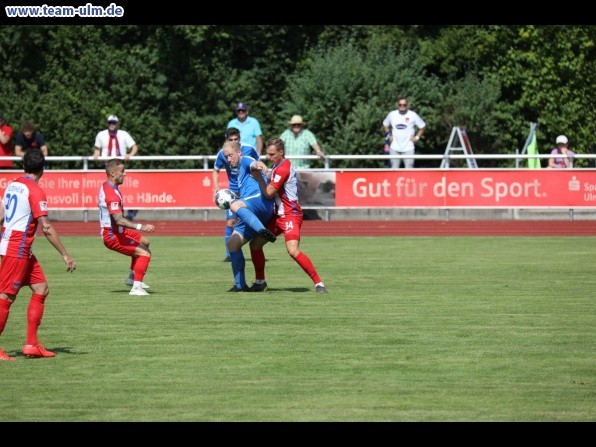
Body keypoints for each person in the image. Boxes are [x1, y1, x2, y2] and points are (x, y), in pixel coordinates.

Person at [0, 148, 77, 361]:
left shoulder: (12, 185)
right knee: (6, 296)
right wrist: (65, 254)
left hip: (19, 248)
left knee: (41, 288)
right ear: (43, 169)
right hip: (18, 249)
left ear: (24, 166)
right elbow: (47, 227)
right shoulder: (35, 191)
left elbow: (1, 214)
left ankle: (31, 344)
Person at [249, 138, 327, 293]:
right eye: (267, 153)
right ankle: (260, 282)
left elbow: (270, 193)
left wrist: (258, 178)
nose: (268, 157)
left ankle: (319, 283)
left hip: (291, 215)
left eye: (272, 154)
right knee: (255, 245)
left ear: (281, 152)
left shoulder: (282, 168)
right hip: (279, 216)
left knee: (292, 250)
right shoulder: (280, 165)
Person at [221, 140, 276, 292]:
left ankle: (261, 230)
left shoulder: (245, 160)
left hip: (260, 202)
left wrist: (261, 166)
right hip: (252, 209)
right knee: (232, 244)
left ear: (238, 153)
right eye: (226, 157)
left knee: (235, 205)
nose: (228, 159)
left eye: (230, 155)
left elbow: (255, 164)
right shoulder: (239, 172)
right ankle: (240, 286)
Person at [98, 158, 155, 296]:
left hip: (118, 231)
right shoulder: (111, 195)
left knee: (145, 243)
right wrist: (141, 226)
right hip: (112, 235)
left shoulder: (107, 186)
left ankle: (131, 278)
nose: (125, 174)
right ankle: (136, 288)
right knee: (145, 253)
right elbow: (118, 220)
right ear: (112, 173)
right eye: (122, 171)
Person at [213, 127, 259, 262]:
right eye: (230, 139)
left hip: (247, 191)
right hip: (232, 192)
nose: (233, 141)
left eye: (236, 139)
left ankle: (255, 248)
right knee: (231, 221)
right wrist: (216, 188)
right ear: (226, 140)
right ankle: (229, 254)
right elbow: (215, 170)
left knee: (250, 220)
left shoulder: (249, 149)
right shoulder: (222, 153)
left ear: (239, 139)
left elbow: (256, 163)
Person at [93, 115, 140, 220]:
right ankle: (111, 212)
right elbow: (97, 150)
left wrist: (130, 155)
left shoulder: (123, 134)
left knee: (124, 190)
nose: (112, 125)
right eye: (110, 122)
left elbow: (134, 147)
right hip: (107, 166)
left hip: (119, 166)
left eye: (113, 123)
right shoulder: (101, 134)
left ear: (117, 123)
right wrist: (95, 155)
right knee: (108, 189)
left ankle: (126, 212)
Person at [382, 97, 426, 169]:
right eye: (400, 105)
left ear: (407, 105)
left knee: (409, 170)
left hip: (409, 147)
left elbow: (423, 126)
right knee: (394, 170)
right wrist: (389, 135)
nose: (402, 106)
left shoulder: (413, 115)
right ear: (397, 105)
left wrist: (416, 138)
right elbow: (385, 125)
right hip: (394, 147)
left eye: (404, 105)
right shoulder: (392, 114)